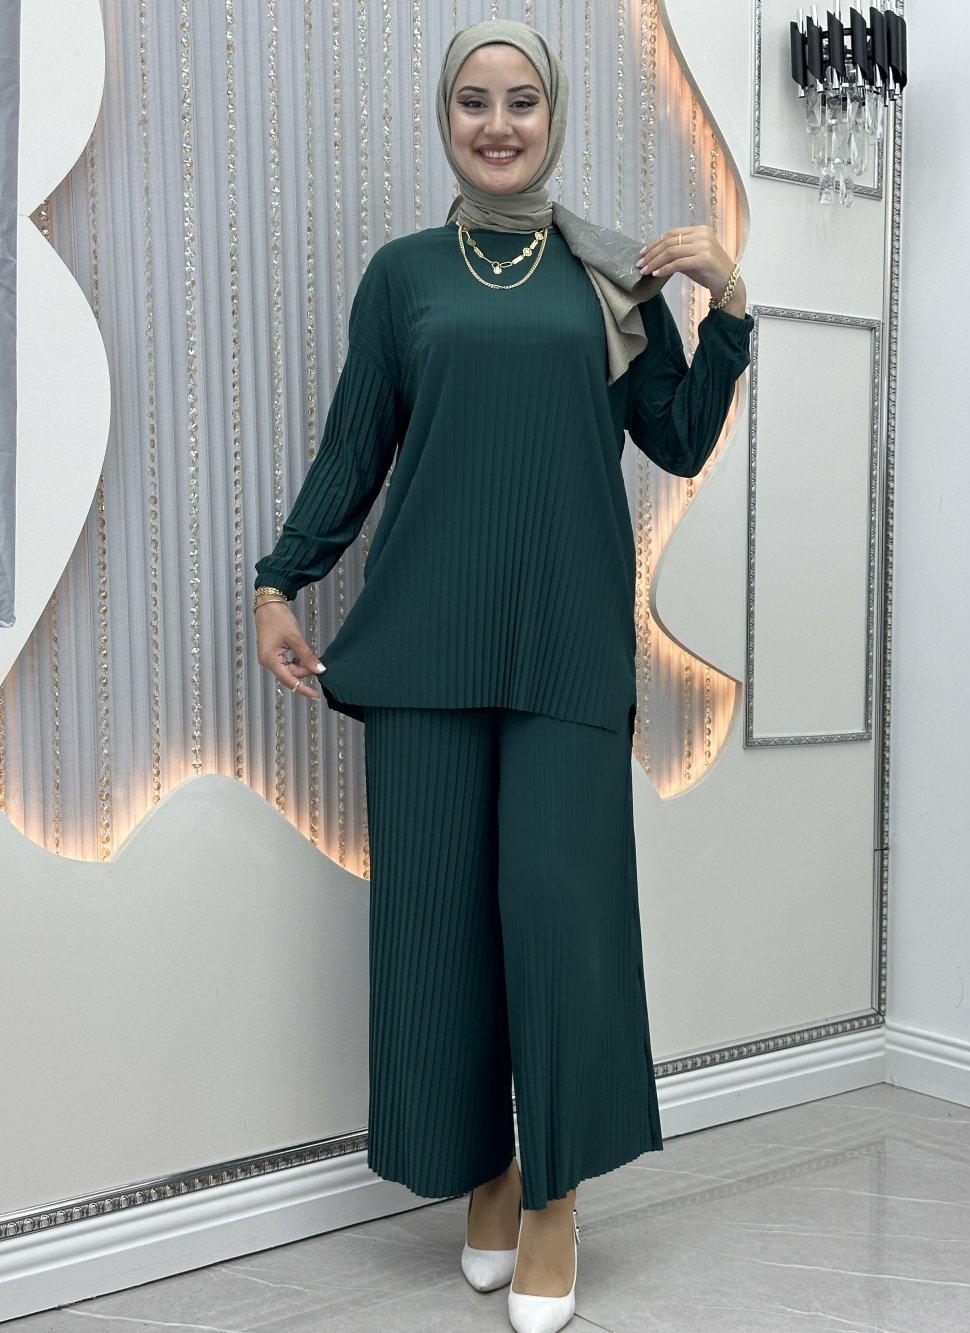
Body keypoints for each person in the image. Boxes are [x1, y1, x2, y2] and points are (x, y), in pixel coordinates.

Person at [253, 17, 753, 1332]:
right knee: (438, 924)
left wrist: (728, 308)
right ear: (446, 118)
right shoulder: (403, 277)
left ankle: (555, 1201)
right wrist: (279, 580)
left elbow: (677, 439)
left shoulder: (608, 277)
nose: (497, 123)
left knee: (555, 914)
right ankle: (485, 1174)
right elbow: (355, 449)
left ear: (553, 116)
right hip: (425, 644)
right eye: (473, 101)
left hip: (567, 646)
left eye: (520, 100)